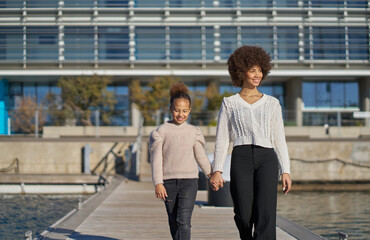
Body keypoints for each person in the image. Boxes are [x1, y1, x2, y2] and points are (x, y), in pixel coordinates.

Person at [210, 45, 292, 240]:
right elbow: (222, 139)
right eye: (253, 70)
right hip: (241, 158)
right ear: (241, 71)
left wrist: (286, 170)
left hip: (267, 159)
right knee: (243, 214)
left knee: (266, 214)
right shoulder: (229, 103)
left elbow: (279, 138)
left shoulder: (272, 103)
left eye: (260, 70)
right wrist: (217, 170)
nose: (258, 74)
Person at [149, 82, 212, 240]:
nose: (180, 114)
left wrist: (212, 174)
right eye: (177, 110)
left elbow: (201, 156)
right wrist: (158, 183)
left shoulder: (194, 132)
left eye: (184, 111)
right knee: (173, 221)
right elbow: (157, 159)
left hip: (189, 182)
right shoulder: (161, 131)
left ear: (189, 110)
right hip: (168, 183)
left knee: (183, 220)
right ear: (171, 109)